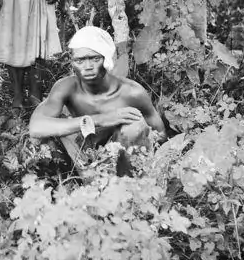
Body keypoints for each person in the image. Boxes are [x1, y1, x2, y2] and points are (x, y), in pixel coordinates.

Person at [29, 26, 166, 172]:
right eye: (80, 60)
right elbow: (36, 127)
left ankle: (125, 182)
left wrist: (141, 150)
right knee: (37, 140)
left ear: (106, 58)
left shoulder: (132, 92)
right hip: (81, 153)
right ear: (72, 62)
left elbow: (160, 134)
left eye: (94, 59)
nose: (87, 66)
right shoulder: (66, 87)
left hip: (119, 158)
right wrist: (98, 120)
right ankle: (60, 182)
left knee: (135, 126)